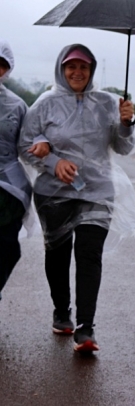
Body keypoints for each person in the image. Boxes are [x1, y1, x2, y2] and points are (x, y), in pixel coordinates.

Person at [19, 43, 135, 353]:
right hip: (54, 193)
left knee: (89, 255)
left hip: (97, 191)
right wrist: (52, 162)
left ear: (92, 71)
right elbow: (25, 146)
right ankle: (62, 311)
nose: (77, 72)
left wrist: (127, 123)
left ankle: (86, 329)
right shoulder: (44, 105)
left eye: (83, 67)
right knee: (57, 254)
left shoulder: (107, 103)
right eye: (71, 66)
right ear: (61, 69)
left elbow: (124, 148)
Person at [0, 39, 37, 302]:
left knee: (7, 249)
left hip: (8, 190)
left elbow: (27, 145)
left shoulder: (17, 105)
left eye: (1, 65)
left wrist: (48, 150)